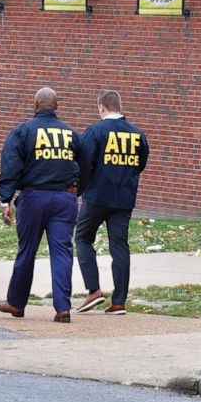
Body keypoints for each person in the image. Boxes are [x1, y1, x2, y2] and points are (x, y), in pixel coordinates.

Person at [0, 87, 90, 324]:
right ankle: (62, 308)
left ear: (35, 105)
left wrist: (6, 199)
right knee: (62, 252)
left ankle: (16, 303)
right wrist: (78, 191)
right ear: (56, 107)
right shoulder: (71, 134)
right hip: (64, 199)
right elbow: (87, 165)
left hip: (33, 198)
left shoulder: (23, 131)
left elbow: (10, 165)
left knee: (27, 250)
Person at [73, 90, 150, 315]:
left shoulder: (96, 131)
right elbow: (141, 163)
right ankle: (119, 302)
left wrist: (80, 189)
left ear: (102, 108)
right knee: (119, 245)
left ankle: (94, 290)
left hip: (97, 196)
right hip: (124, 198)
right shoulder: (137, 133)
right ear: (119, 106)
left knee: (83, 237)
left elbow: (84, 163)